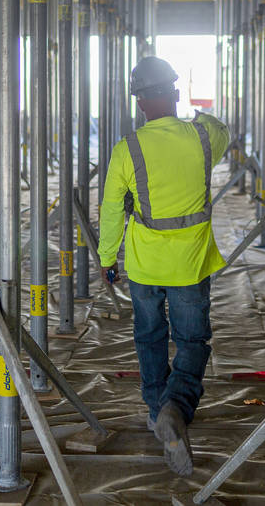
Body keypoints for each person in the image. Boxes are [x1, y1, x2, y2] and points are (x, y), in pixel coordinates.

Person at [97, 56, 230, 477]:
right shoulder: (204, 138)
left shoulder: (127, 148)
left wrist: (107, 258)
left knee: (149, 336)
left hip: (143, 265)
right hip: (190, 263)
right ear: (175, 94)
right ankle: (178, 405)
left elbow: (111, 212)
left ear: (139, 104)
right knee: (192, 342)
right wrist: (198, 115)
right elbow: (221, 129)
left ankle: (158, 412)